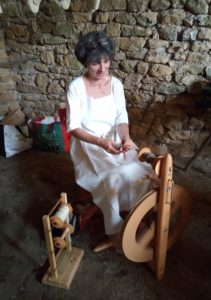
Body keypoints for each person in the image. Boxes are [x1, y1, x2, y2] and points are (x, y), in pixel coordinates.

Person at [67, 31, 153, 251]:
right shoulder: (76, 87)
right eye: (95, 63)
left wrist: (125, 137)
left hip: (114, 139)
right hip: (90, 145)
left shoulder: (115, 84)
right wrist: (101, 143)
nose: (103, 68)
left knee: (142, 170)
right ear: (85, 62)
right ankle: (115, 230)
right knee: (112, 179)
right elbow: (74, 127)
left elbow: (120, 118)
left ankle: (135, 215)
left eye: (106, 61)